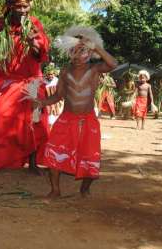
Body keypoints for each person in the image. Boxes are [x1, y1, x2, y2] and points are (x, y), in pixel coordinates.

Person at [28, 26, 117, 197]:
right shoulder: (65, 71)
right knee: (54, 152)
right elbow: (58, 96)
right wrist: (41, 103)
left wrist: (96, 47)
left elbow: (113, 64)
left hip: (88, 120)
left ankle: (85, 188)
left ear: (90, 53)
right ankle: (55, 189)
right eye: (73, 51)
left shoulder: (95, 69)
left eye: (82, 51)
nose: (77, 55)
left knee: (90, 157)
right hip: (66, 119)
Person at [0, 0, 50, 173]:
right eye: (19, 6)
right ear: (10, 6)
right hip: (6, 81)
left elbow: (41, 55)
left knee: (35, 120)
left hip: (32, 81)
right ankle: (0, 160)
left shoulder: (34, 24)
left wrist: (32, 43)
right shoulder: (1, 24)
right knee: (1, 117)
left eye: (26, 5)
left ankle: (33, 163)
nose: (23, 10)